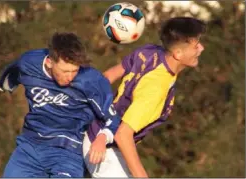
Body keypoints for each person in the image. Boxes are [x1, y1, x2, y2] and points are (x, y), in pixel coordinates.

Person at [83, 16, 207, 177]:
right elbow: (123, 135)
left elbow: (106, 77)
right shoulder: (156, 88)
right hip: (104, 150)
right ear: (178, 53)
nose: (201, 48)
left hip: (98, 134)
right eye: (196, 46)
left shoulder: (149, 51)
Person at [0, 32, 121, 178]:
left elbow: (113, 119)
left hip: (68, 152)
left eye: (75, 71)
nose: (70, 77)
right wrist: (2, 85)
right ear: (49, 62)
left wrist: (103, 137)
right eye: (65, 71)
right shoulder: (29, 63)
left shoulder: (91, 80)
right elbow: (14, 72)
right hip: (30, 146)